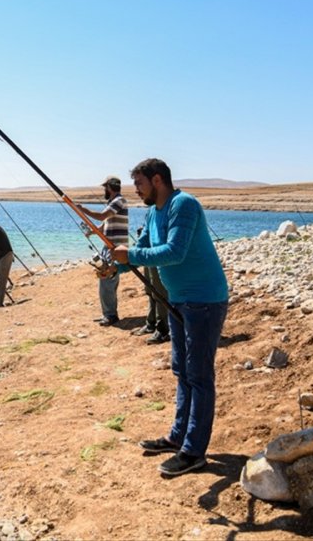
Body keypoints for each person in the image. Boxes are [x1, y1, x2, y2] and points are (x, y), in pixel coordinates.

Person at [111, 158, 228, 477]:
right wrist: (116, 266)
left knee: (199, 375)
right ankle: (178, 437)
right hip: (177, 300)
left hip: (204, 299)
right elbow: (145, 247)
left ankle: (194, 451)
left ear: (158, 180)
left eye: (139, 184)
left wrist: (130, 255)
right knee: (182, 370)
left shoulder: (184, 205)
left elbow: (174, 252)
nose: (136, 191)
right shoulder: (152, 212)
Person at [75, 176, 129, 327]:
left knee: (108, 279)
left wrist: (83, 209)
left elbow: (102, 216)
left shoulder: (119, 201)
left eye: (105, 188)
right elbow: (105, 223)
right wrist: (92, 232)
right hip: (108, 246)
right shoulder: (113, 202)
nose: (104, 191)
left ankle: (111, 315)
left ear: (109, 187)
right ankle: (108, 313)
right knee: (104, 279)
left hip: (116, 247)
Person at [131, 225, 171, 344]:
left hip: (158, 252)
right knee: (150, 289)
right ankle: (151, 324)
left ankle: (163, 330)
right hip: (148, 249)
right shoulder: (152, 210)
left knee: (159, 291)